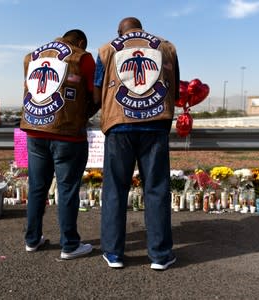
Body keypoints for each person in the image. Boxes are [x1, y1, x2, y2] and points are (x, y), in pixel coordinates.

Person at [93, 17, 179, 270]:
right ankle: (161, 256)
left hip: (119, 126)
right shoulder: (166, 47)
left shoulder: (106, 49)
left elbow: (98, 93)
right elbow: (173, 90)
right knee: (157, 190)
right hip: (155, 125)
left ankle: (114, 254)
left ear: (120, 30)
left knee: (115, 191)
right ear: (141, 28)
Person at [20, 29, 98, 259]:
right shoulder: (81, 57)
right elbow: (95, 96)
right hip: (68, 135)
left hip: (34, 131)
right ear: (81, 42)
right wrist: (83, 116)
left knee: (36, 188)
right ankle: (70, 245)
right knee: (67, 190)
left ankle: (32, 240)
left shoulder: (32, 56)